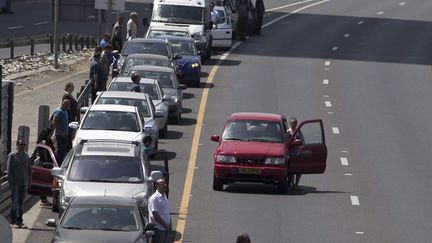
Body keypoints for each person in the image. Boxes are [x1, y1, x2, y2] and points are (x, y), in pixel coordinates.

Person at [7, 139, 32, 228]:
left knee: (21, 204)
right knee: (14, 203)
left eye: (24, 145)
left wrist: (29, 182)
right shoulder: (12, 156)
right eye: (21, 144)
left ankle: (19, 221)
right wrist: (11, 183)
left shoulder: (26, 156)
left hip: (24, 183)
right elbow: (9, 171)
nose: (22, 146)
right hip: (15, 184)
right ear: (17, 145)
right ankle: (13, 221)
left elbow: (29, 170)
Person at [33, 128, 55, 207]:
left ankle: (44, 199)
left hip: (46, 164)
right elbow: (45, 154)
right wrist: (48, 164)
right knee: (44, 182)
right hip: (45, 165)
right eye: (50, 134)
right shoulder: (44, 142)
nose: (51, 135)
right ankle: (44, 200)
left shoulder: (46, 141)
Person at [148, 179, 172, 243]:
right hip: (159, 229)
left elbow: (166, 211)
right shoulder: (154, 198)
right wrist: (165, 225)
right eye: (162, 184)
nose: (165, 185)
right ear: (157, 186)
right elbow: (155, 214)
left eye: (165, 183)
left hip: (166, 228)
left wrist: (170, 223)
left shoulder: (164, 195)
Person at [52, 99, 71, 164]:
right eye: (68, 105)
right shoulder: (59, 112)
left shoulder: (65, 111)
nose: (69, 106)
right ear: (64, 104)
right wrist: (60, 133)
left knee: (64, 150)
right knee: (60, 151)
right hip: (60, 135)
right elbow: (54, 123)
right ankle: (58, 164)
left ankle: (62, 163)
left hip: (65, 134)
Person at [287, 116, 304, 191]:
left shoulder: (299, 131)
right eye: (292, 122)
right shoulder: (287, 131)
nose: (293, 124)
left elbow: (303, 142)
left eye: (295, 122)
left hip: (297, 153)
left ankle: (296, 184)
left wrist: (300, 148)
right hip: (290, 153)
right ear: (290, 123)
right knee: (291, 170)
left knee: (299, 170)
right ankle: (292, 184)